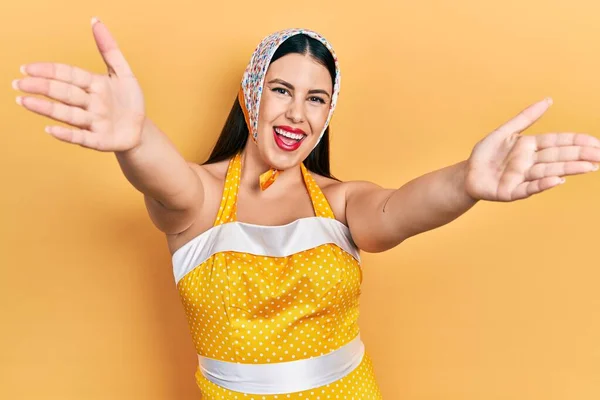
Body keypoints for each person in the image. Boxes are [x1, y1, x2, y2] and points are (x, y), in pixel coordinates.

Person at [12, 17, 600, 399]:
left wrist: (467, 182)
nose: (297, 113)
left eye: (316, 98)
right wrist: (135, 137)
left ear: (326, 116)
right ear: (250, 96)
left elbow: (399, 209)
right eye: (281, 89)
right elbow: (165, 180)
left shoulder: (340, 202)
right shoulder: (198, 199)